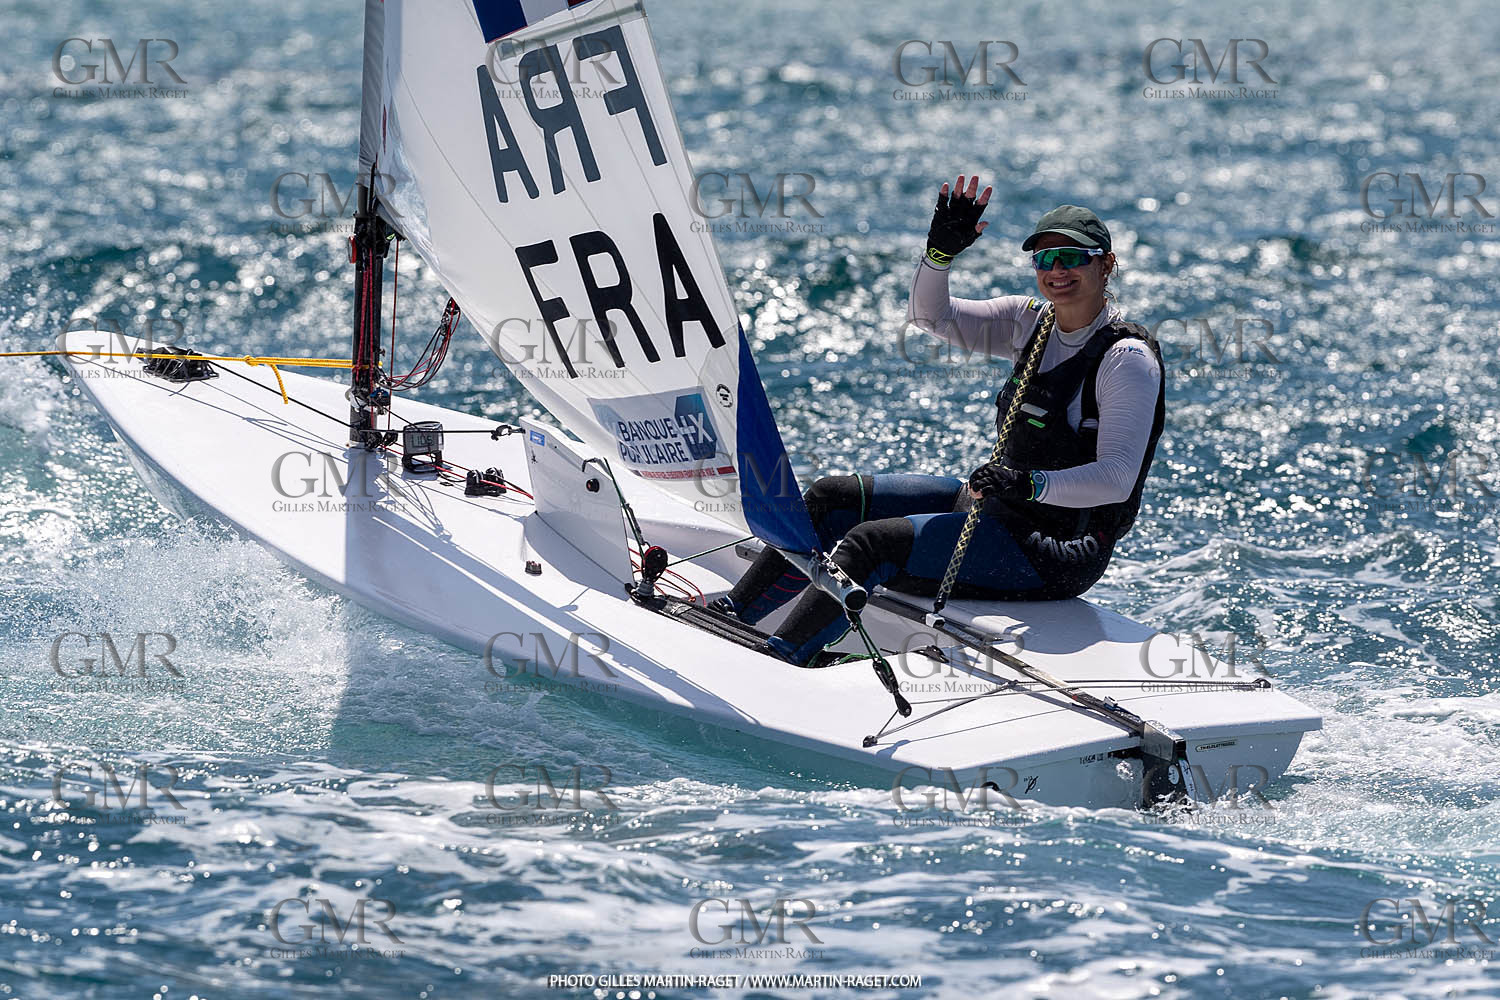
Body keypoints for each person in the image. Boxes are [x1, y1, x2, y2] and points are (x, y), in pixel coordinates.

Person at [713, 175, 1165, 666]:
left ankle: (781, 658)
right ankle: (731, 616)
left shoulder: (1125, 359)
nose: (1058, 270)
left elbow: (1117, 479)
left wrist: (1026, 483)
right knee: (830, 497)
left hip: (1050, 551)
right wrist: (939, 255)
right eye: (1045, 259)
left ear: (1107, 264)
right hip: (996, 510)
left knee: (871, 545)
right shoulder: (1029, 321)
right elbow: (932, 318)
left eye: (1073, 257)